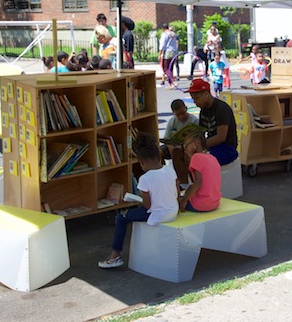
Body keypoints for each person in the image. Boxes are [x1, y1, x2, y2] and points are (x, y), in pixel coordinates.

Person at [98, 132, 179, 269]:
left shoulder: (145, 179)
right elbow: (176, 193)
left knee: (121, 217)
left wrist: (140, 199)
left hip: (157, 214)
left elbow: (148, 205)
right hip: (173, 211)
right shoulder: (170, 170)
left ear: (142, 162)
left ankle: (115, 255)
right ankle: (115, 256)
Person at [172, 79, 238, 184]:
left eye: (197, 98)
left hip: (226, 148)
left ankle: (198, 186)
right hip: (210, 146)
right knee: (178, 152)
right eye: (193, 99)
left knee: (196, 158)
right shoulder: (203, 110)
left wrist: (197, 145)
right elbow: (200, 133)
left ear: (206, 94)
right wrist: (188, 142)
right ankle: (185, 185)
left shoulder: (221, 109)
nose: (195, 102)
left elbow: (221, 137)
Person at [179, 130, 222, 213]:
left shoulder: (196, 157)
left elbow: (197, 183)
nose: (185, 150)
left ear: (195, 143)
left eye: (185, 146)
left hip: (200, 204)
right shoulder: (212, 158)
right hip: (215, 202)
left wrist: (184, 200)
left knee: (173, 203)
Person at [158, 23, 178, 88]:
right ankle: (170, 84)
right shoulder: (173, 34)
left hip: (167, 52)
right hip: (174, 52)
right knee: (170, 68)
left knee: (165, 68)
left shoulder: (164, 34)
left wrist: (160, 53)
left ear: (163, 28)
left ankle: (172, 80)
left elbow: (162, 45)